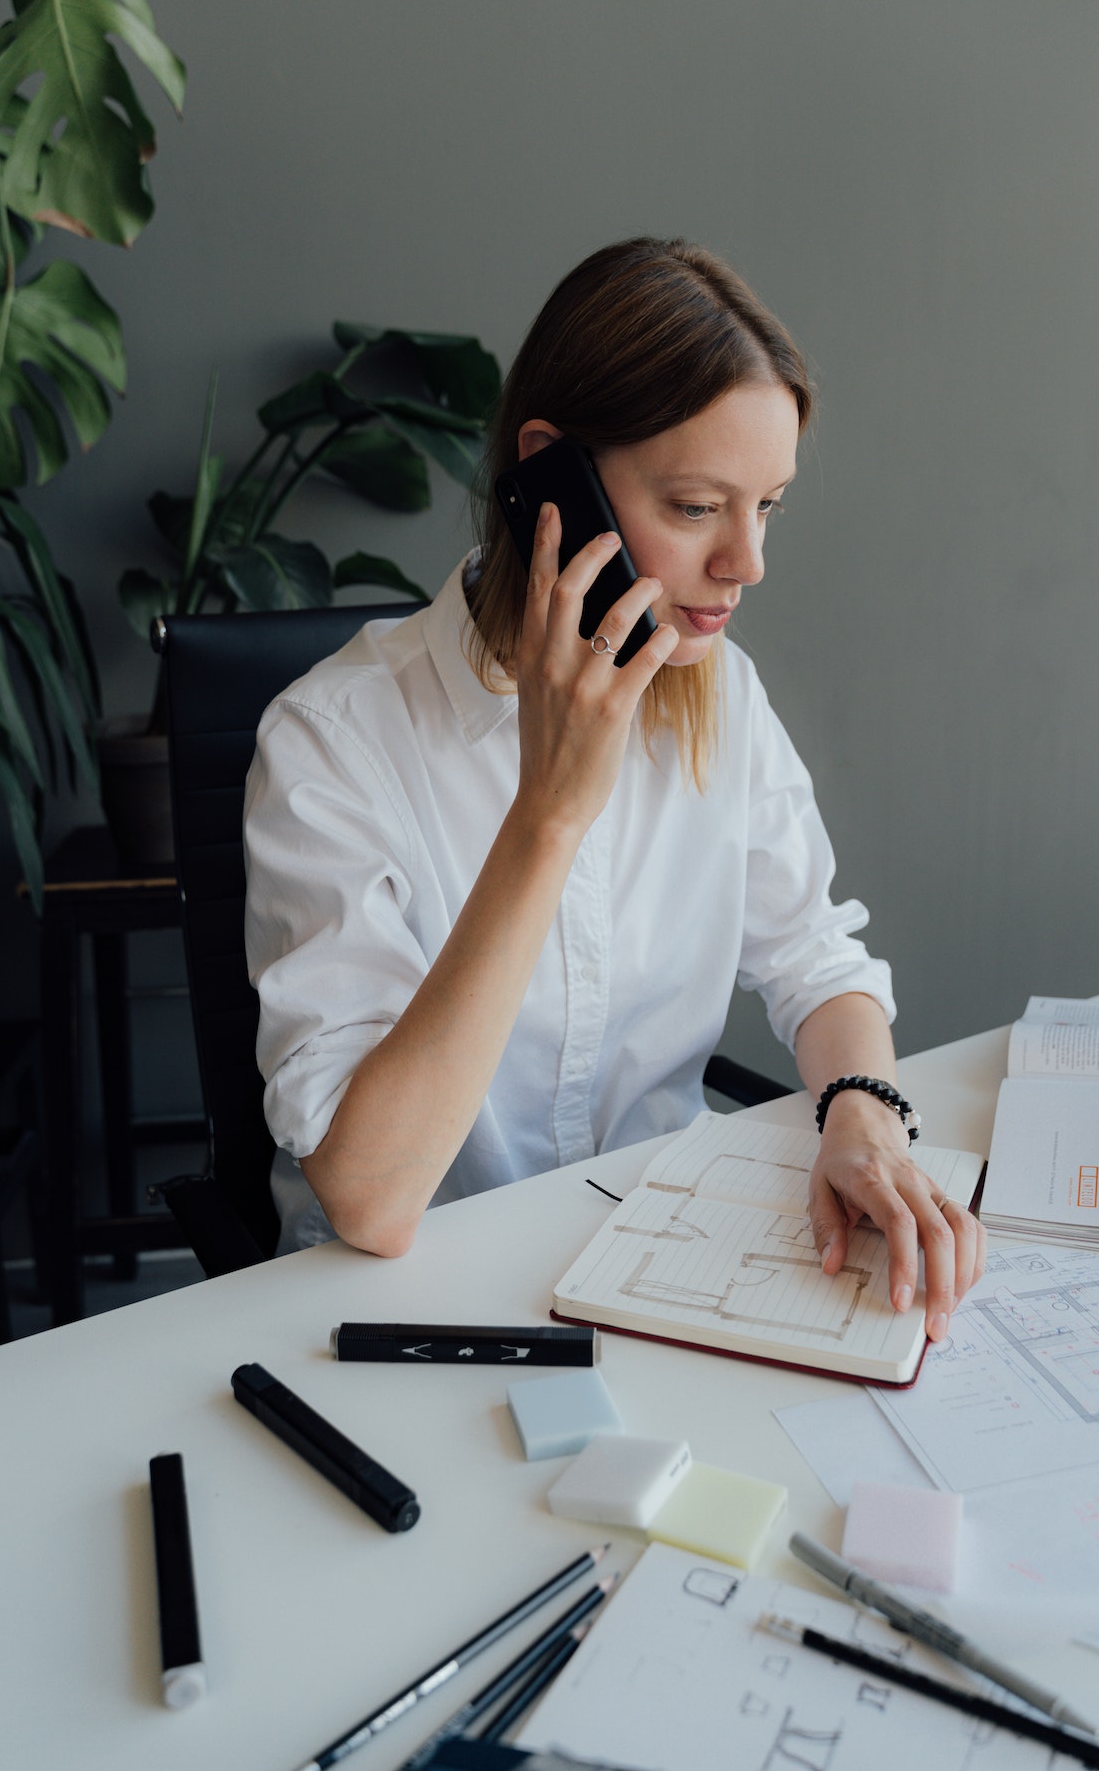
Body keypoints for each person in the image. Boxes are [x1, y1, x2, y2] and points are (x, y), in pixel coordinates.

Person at [244, 237, 986, 1339]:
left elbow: (813, 955)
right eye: (696, 507)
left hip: (651, 1269)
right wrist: (547, 813)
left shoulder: (716, 694)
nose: (747, 563)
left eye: (768, 505)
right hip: (393, 1318)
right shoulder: (331, 741)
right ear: (552, 478)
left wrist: (862, 1117)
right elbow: (370, 1199)